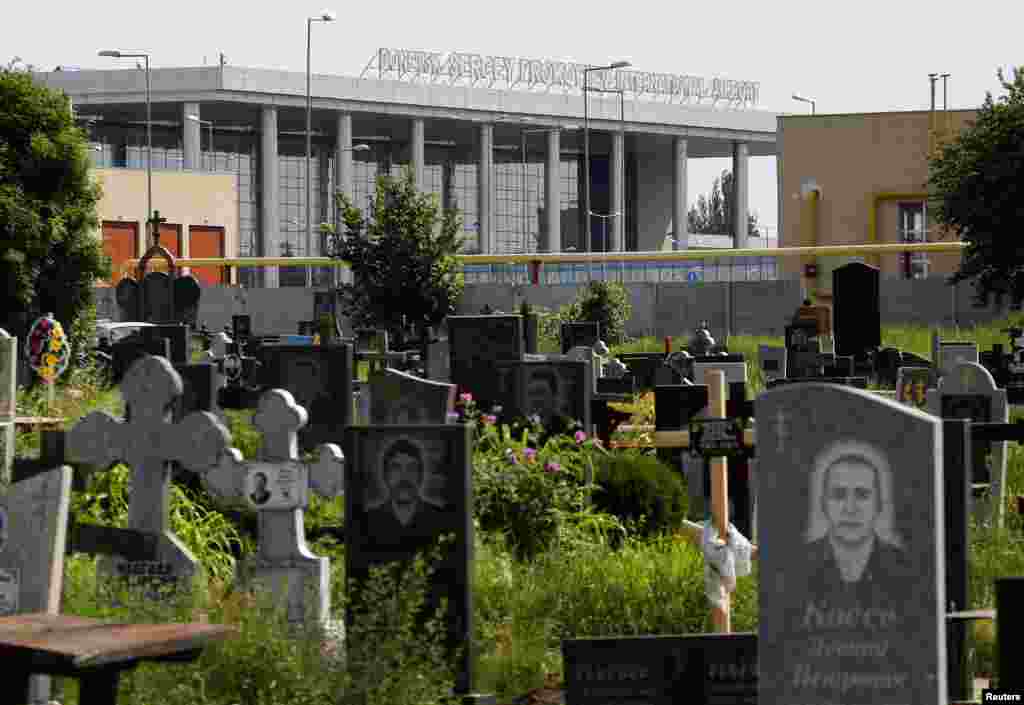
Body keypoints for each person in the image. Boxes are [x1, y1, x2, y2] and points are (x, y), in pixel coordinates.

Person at [802, 440, 912, 606]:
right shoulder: (798, 566)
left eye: (862, 495)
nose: (850, 508)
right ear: (823, 504)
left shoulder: (905, 567)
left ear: (879, 504)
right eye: (838, 495)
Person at [366, 439, 447, 530]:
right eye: (396, 468)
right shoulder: (367, 521)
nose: (404, 476)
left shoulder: (442, 519)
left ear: (420, 476)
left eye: (411, 468)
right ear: (385, 476)